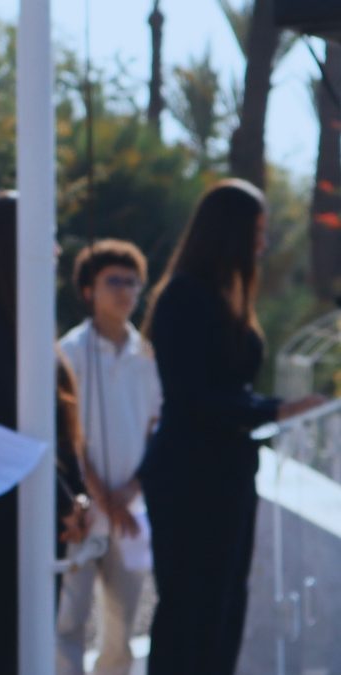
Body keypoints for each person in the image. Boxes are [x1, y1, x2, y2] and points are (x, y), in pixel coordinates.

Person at [139, 179, 326, 674]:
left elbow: (232, 394)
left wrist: (282, 406)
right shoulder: (183, 296)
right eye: (256, 232)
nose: (262, 245)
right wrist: (274, 410)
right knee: (189, 611)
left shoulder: (229, 298)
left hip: (227, 476)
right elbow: (193, 398)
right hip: (187, 479)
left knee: (224, 611)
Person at [0, 190, 90, 675]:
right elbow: (7, 428)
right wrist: (64, 501)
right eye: (46, 238)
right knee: (0, 639)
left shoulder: (30, 327)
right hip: (1, 511)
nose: (56, 252)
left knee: (32, 639)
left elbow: (57, 426)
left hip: (44, 506)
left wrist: (77, 496)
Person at [57, 239, 162, 675]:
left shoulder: (148, 355)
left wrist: (131, 490)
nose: (124, 291)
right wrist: (99, 494)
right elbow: (68, 434)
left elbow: (156, 427)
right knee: (68, 622)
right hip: (82, 510)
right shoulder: (70, 351)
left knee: (122, 629)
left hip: (131, 511)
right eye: (113, 280)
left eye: (132, 282)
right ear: (88, 289)